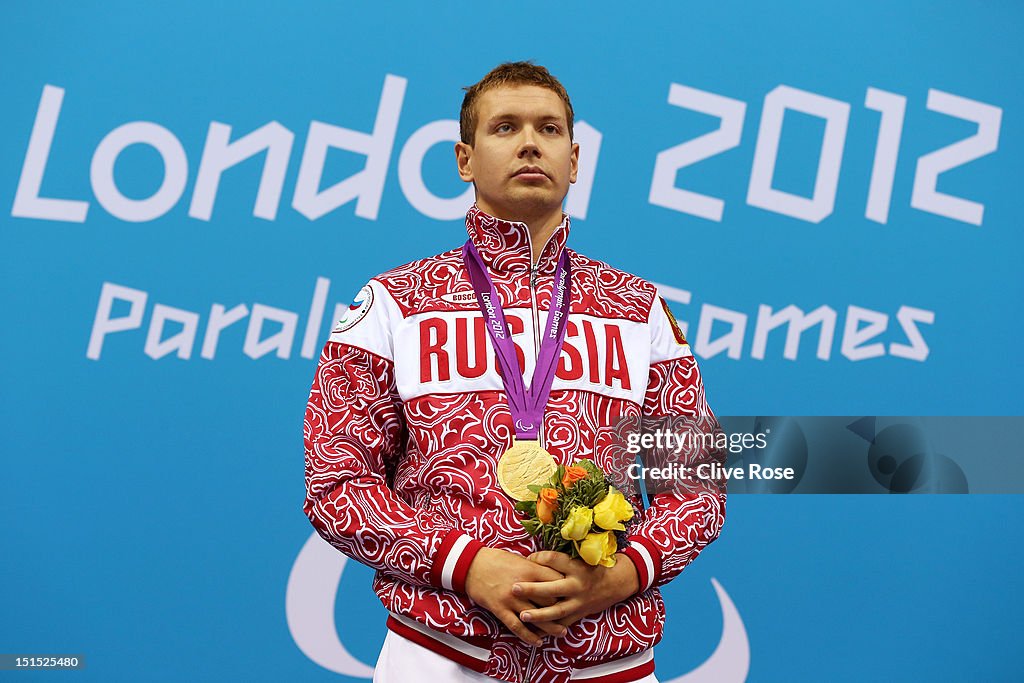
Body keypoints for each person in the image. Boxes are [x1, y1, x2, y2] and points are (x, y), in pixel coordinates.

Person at [303, 61, 726, 683]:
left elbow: (698, 487)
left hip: (608, 658)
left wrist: (622, 574)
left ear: (575, 160)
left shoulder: (639, 309)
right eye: (505, 127)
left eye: (549, 129)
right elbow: (337, 484)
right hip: (441, 650)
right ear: (464, 160)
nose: (530, 141)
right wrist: (467, 566)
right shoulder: (394, 303)